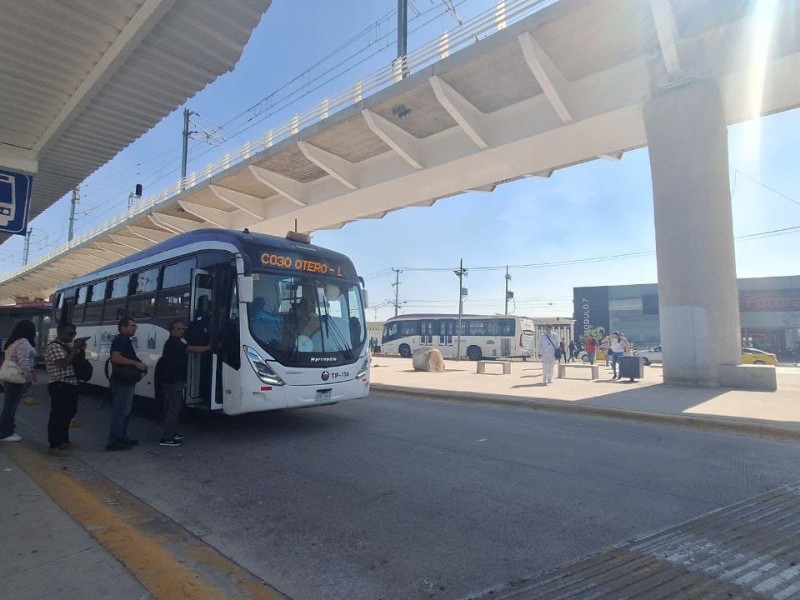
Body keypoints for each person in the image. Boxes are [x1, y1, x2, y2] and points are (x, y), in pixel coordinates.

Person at [158, 319, 210, 447]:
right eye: (179, 329)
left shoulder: (175, 342)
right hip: (172, 381)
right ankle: (167, 438)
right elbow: (195, 349)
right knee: (173, 409)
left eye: (183, 329)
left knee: (173, 408)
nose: (182, 331)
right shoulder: (174, 343)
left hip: (173, 380)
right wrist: (211, 347)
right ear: (172, 330)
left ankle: (172, 433)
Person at [43, 322, 85, 457]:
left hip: (71, 384)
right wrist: (74, 350)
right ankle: (54, 445)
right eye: (70, 333)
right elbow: (62, 364)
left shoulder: (67, 346)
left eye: (74, 333)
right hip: (60, 384)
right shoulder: (54, 347)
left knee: (69, 413)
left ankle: (64, 441)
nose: (73, 336)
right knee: (58, 415)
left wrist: (80, 350)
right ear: (60, 333)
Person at [106, 318, 147, 451]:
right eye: (132, 326)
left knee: (126, 411)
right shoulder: (120, 340)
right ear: (123, 327)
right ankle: (114, 441)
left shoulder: (125, 340)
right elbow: (116, 358)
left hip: (126, 381)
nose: (134, 328)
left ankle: (122, 437)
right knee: (120, 411)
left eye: (135, 326)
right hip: (121, 381)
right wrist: (136, 364)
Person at [0, 320, 37, 442]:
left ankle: (7, 430)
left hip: (10, 377)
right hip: (16, 378)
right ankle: (6, 433)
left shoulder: (13, 342)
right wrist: (28, 378)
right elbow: (24, 361)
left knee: (9, 406)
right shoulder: (23, 342)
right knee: (10, 407)